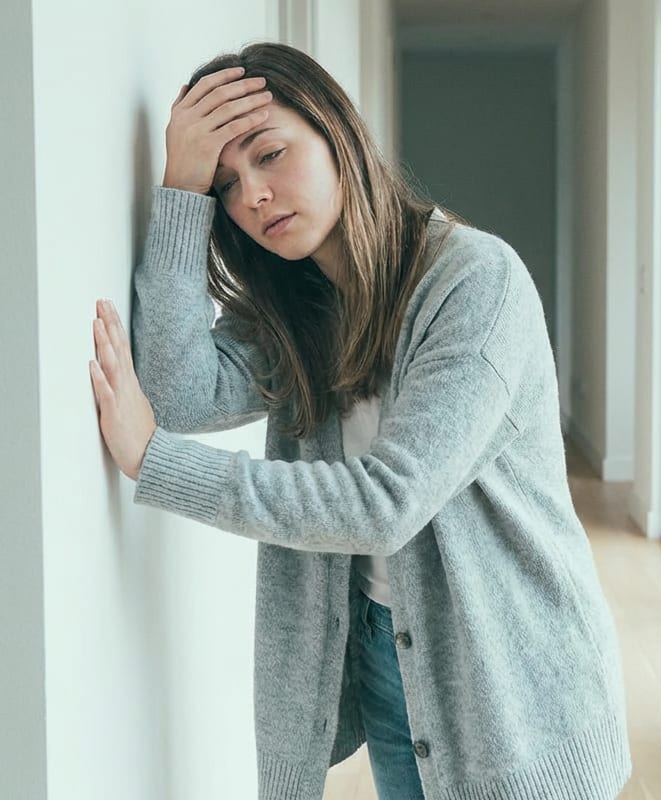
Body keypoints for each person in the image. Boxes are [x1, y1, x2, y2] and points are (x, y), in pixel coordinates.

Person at [89, 42, 631, 800]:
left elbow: (387, 505)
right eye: (227, 185)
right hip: (387, 655)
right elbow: (179, 393)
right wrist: (181, 189)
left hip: (513, 685)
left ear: (337, 132)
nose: (254, 196)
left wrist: (155, 462)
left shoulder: (476, 284)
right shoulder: (300, 309)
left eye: (270, 154)